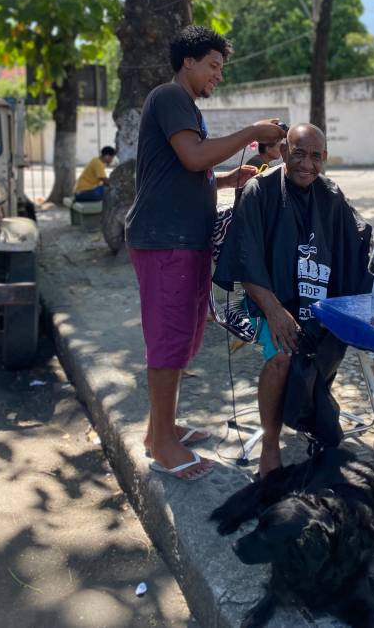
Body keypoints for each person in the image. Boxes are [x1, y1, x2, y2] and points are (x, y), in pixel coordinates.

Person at [214, 124, 374, 479]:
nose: (307, 164)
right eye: (299, 154)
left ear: (325, 158)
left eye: (316, 156)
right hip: (271, 299)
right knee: (282, 358)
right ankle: (270, 449)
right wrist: (274, 311)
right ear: (284, 153)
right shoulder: (260, 190)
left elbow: (361, 245)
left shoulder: (330, 194)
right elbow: (246, 261)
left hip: (325, 303)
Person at [125, 25, 285, 482]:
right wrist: (252, 131)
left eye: (221, 68)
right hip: (165, 241)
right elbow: (194, 157)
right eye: (212, 65)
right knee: (169, 338)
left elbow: (188, 171)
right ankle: (162, 444)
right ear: (188, 62)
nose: (217, 75)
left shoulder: (187, 108)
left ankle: (163, 427)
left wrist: (229, 180)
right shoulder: (169, 96)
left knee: (184, 336)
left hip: (184, 239)